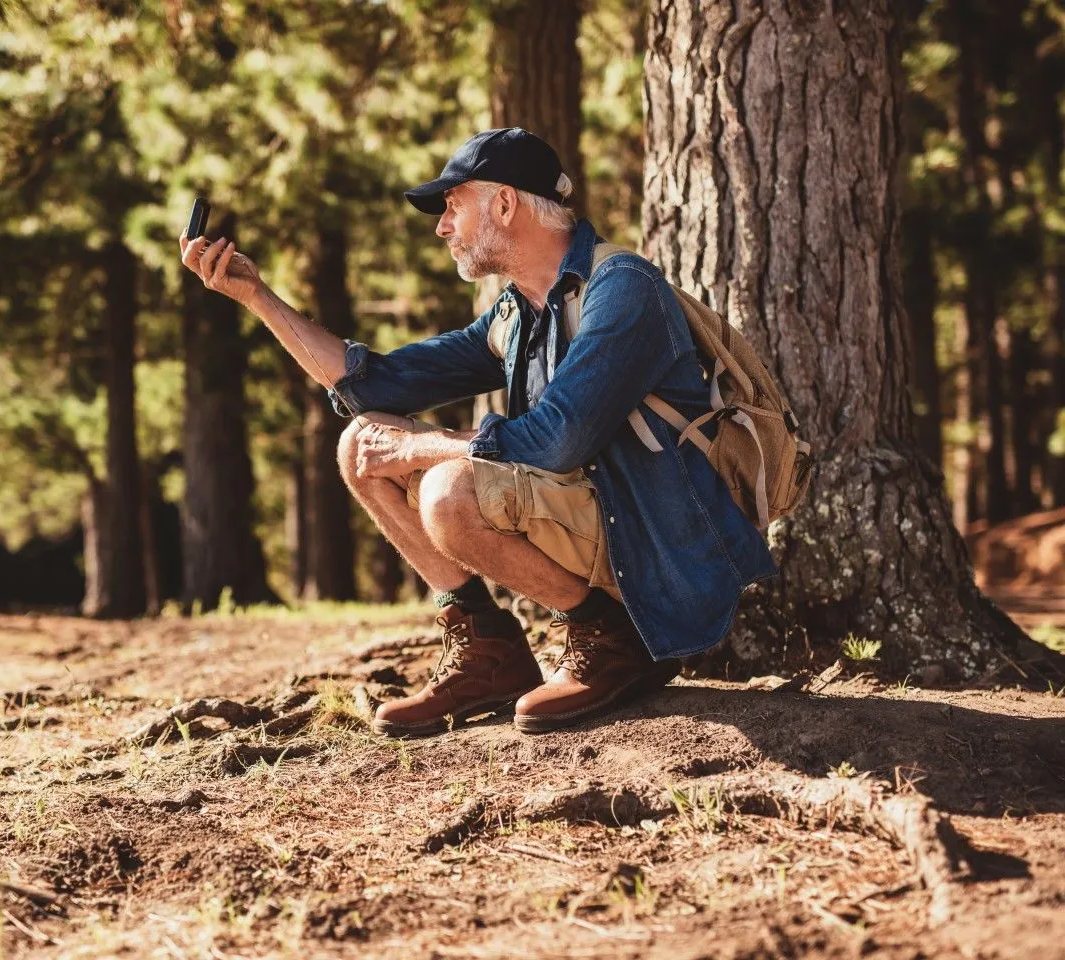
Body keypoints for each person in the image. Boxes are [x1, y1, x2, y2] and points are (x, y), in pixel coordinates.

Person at [179, 127, 777, 737]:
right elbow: (378, 384)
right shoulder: (518, 314)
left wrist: (425, 446)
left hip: (659, 542)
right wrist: (256, 296)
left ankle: (609, 639)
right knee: (362, 442)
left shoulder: (622, 288)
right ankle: (488, 649)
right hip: (598, 516)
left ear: (505, 204)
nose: (442, 227)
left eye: (452, 206)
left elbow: (558, 440)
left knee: (449, 491)